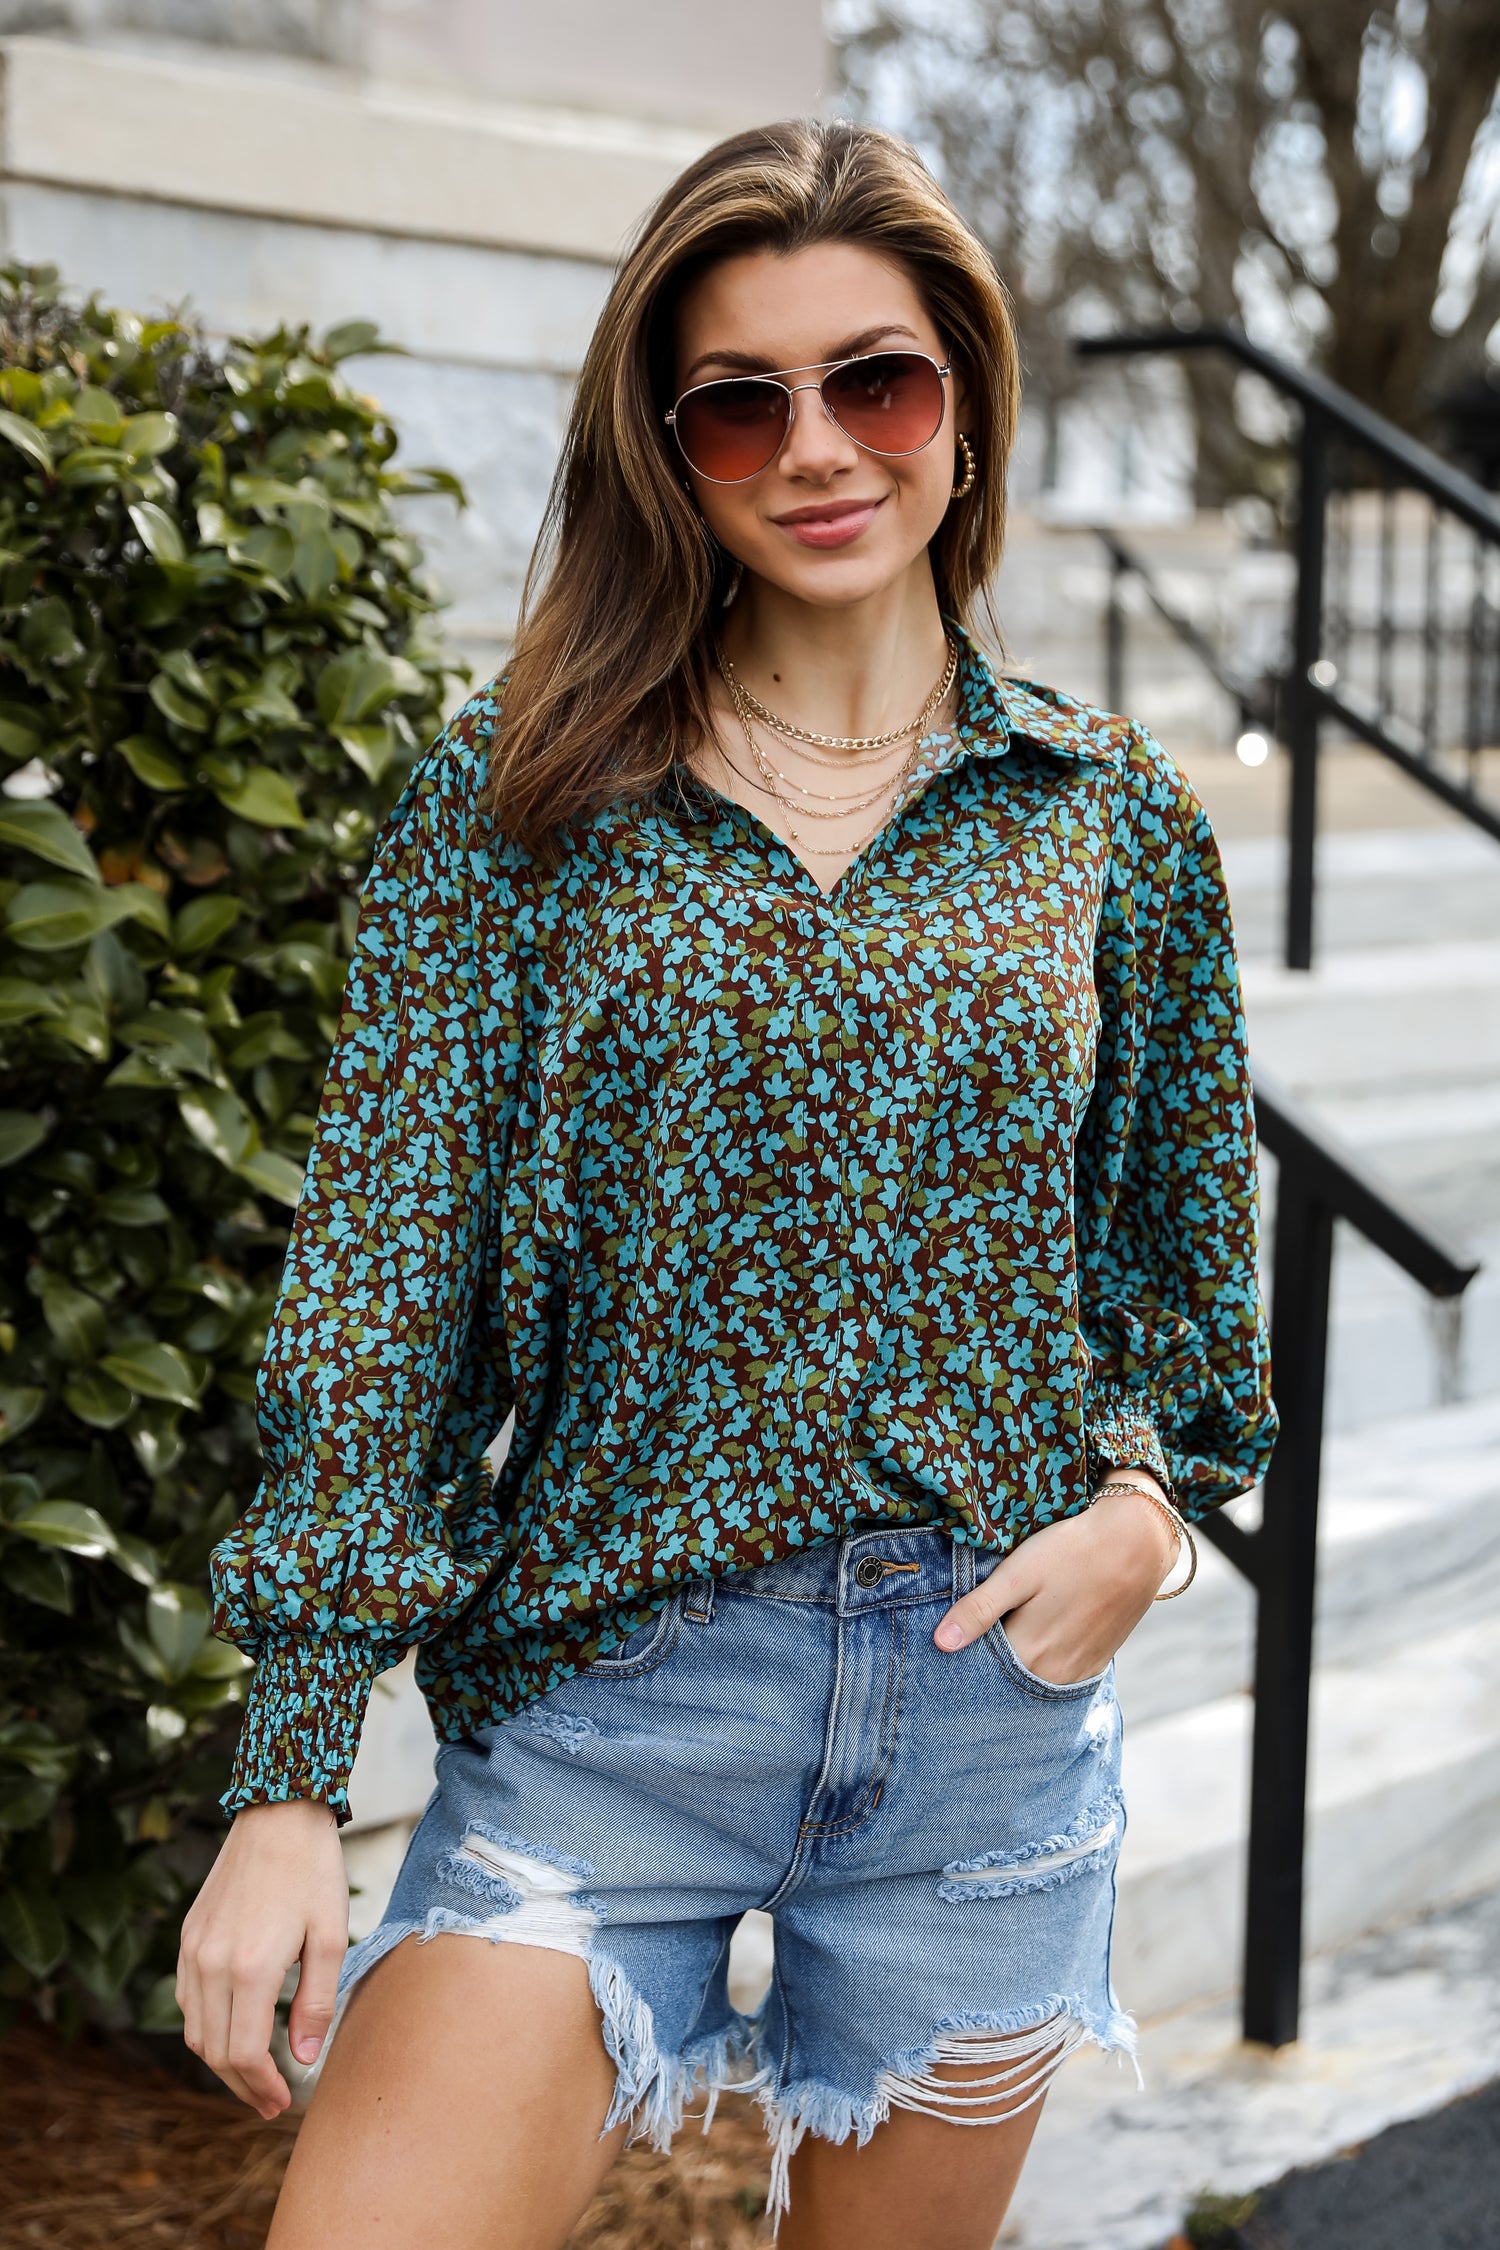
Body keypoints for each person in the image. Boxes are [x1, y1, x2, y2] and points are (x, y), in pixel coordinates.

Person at [177, 119, 1275, 2250]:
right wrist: (291, 1777)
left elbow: (1178, 1277)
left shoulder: (1104, 815)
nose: (818, 449)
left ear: (963, 401)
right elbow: (384, 1295)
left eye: (878, 378)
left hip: (986, 1727)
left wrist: (1146, 1515)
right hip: (610, 1715)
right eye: (738, 401)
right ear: (667, 446)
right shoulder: (512, 808)